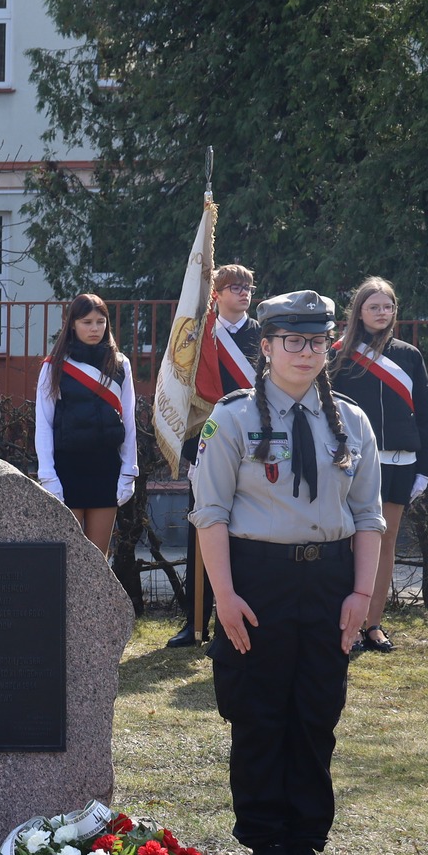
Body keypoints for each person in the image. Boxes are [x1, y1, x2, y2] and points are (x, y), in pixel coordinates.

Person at [188, 290, 384, 855]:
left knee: (317, 711)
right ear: (266, 347)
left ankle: (307, 839)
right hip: (258, 579)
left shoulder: (350, 421)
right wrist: (223, 596)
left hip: (328, 578)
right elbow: (210, 513)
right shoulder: (233, 417)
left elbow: (369, 517)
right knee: (259, 710)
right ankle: (266, 840)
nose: (304, 351)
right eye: (291, 340)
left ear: (329, 347)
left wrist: (360, 596)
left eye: (316, 340)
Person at [330, 277, 428, 654]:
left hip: (399, 463)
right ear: (359, 310)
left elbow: (425, 414)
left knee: (384, 544)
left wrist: (426, 467)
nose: (381, 312)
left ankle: (372, 624)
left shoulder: (409, 355)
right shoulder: (338, 353)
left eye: (387, 306)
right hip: (353, 464)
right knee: (347, 543)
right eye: (374, 306)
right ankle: (346, 625)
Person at [168, 264, 262, 648]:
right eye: (235, 287)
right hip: (208, 448)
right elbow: (186, 395)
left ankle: (238, 620)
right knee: (202, 537)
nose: (244, 293)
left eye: (249, 287)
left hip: (255, 447)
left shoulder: (263, 335)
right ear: (216, 294)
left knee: (250, 536)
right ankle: (194, 623)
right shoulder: (199, 333)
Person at [34, 293, 140, 556]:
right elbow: (44, 423)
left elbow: (128, 420)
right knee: (68, 559)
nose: (94, 328)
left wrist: (129, 470)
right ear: (72, 324)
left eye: (100, 321)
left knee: (97, 559)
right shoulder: (53, 366)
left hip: (105, 467)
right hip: (67, 467)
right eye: (86, 322)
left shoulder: (120, 363)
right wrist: (48, 475)